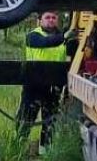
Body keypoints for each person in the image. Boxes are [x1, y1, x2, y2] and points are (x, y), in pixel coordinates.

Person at [17, 11, 74, 148]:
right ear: (40, 20)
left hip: (53, 87)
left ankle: (45, 150)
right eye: (47, 17)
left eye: (54, 17)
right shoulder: (33, 36)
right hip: (34, 85)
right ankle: (18, 147)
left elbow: (72, 51)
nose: (51, 20)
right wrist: (65, 36)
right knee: (26, 118)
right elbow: (45, 42)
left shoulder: (63, 38)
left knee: (50, 122)